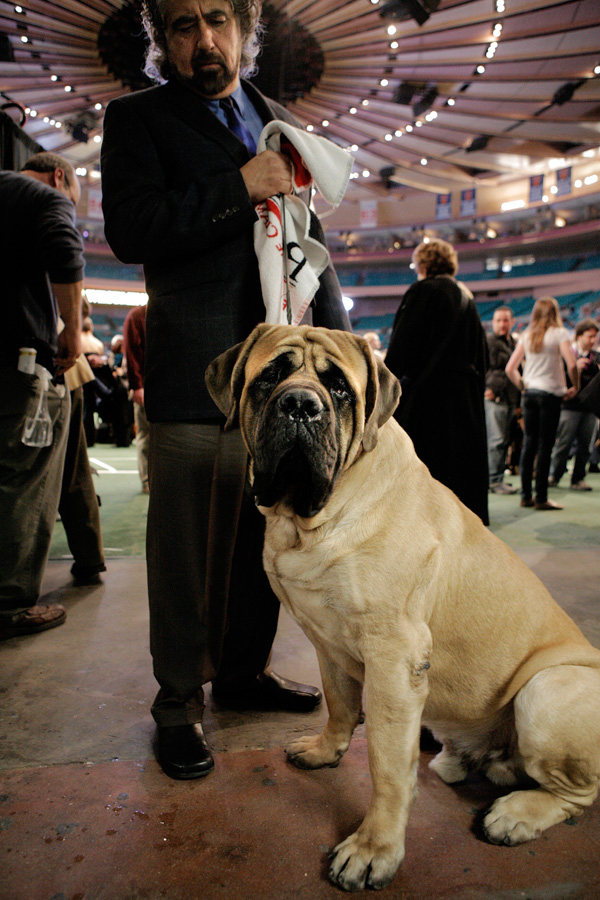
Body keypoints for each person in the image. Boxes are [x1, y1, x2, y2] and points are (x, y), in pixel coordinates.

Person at [101, 0, 351, 780]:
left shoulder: (276, 116)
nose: (202, 40)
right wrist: (239, 184)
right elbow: (131, 229)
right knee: (185, 553)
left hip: (281, 382)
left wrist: (339, 348)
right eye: (181, 26)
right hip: (194, 376)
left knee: (262, 542)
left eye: (216, 19)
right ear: (162, 40)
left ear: (246, 26)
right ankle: (178, 703)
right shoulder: (137, 119)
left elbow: (310, 242)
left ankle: (242, 672)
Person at [0, 151, 83, 639]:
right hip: (17, 360)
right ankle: (10, 602)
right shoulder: (46, 197)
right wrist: (71, 330)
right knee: (23, 480)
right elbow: (63, 246)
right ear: (59, 177)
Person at [384, 239, 489, 524]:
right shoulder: (467, 297)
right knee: (460, 472)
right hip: (464, 398)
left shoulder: (423, 291)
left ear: (424, 264)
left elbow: (402, 346)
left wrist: (386, 381)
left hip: (430, 397)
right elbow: (483, 357)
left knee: (427, 469)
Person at [505, 296, 578, 510]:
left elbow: (510, 368)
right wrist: (575, 386)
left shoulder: (526, 336)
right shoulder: (559, 334)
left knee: (529, 444)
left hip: (530, 394)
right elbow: (572, 364)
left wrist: (523, 386)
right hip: (550, 395)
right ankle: (541, 498)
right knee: (545, 446)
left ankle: (526, 495)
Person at [549, 317, 599, 491]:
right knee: (564, 443)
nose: (593, 340)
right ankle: (554, 475)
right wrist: (574, 367)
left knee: (586, 446)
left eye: (595, 337)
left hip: (590, 409)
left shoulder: (597, 358)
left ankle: (578, 479)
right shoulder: (567, 354)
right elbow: (558, 376)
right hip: (569, 407)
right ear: (579, 336)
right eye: (589, 336)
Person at [484, 306, 521, 494]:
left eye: (505, 320)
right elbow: (482, 367)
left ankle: (497, 478)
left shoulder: (513, 343)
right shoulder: (489, 341)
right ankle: (493, 481)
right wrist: (487, 388)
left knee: (503, 441)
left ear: (512, 322)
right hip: (494, 398)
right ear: (493, 323)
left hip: (509, 398)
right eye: (498, 320)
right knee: (496, 441)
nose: (502, 324)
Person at [123, 304, 150, 494]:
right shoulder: (137, 316)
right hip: (145, 386)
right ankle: (147, 480)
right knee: (146, 436)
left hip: (164, 386)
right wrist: (137, 386)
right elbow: (131, 353)